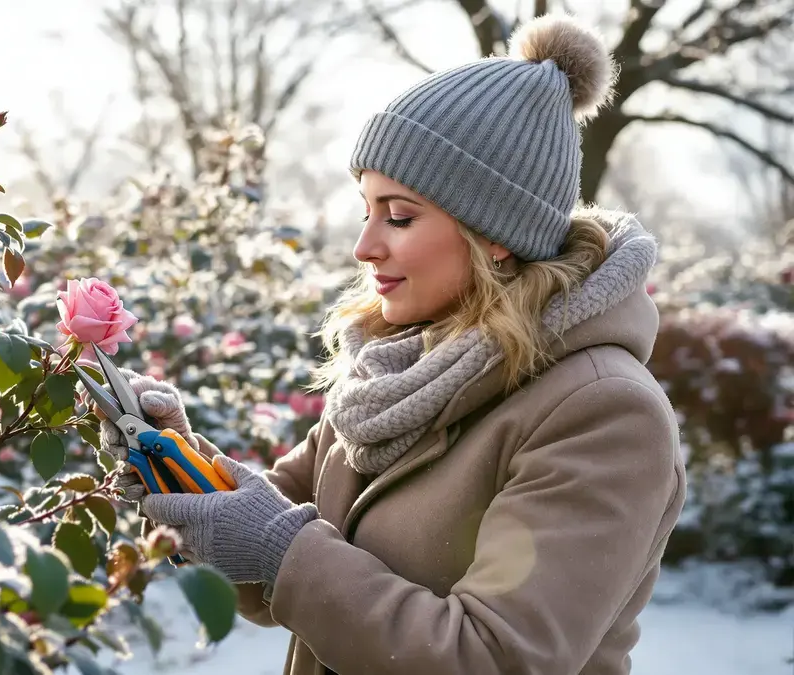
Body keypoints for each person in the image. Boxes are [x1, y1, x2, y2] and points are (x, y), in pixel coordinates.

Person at [98, 13, 686, 675]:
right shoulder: (398, 370)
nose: (364, 245)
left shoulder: (604, 414)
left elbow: (493, 657)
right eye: (366, 208)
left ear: (497, 234)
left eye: (399, 215)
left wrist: (276, 546)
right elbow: (279, 549)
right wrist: (182, 459)